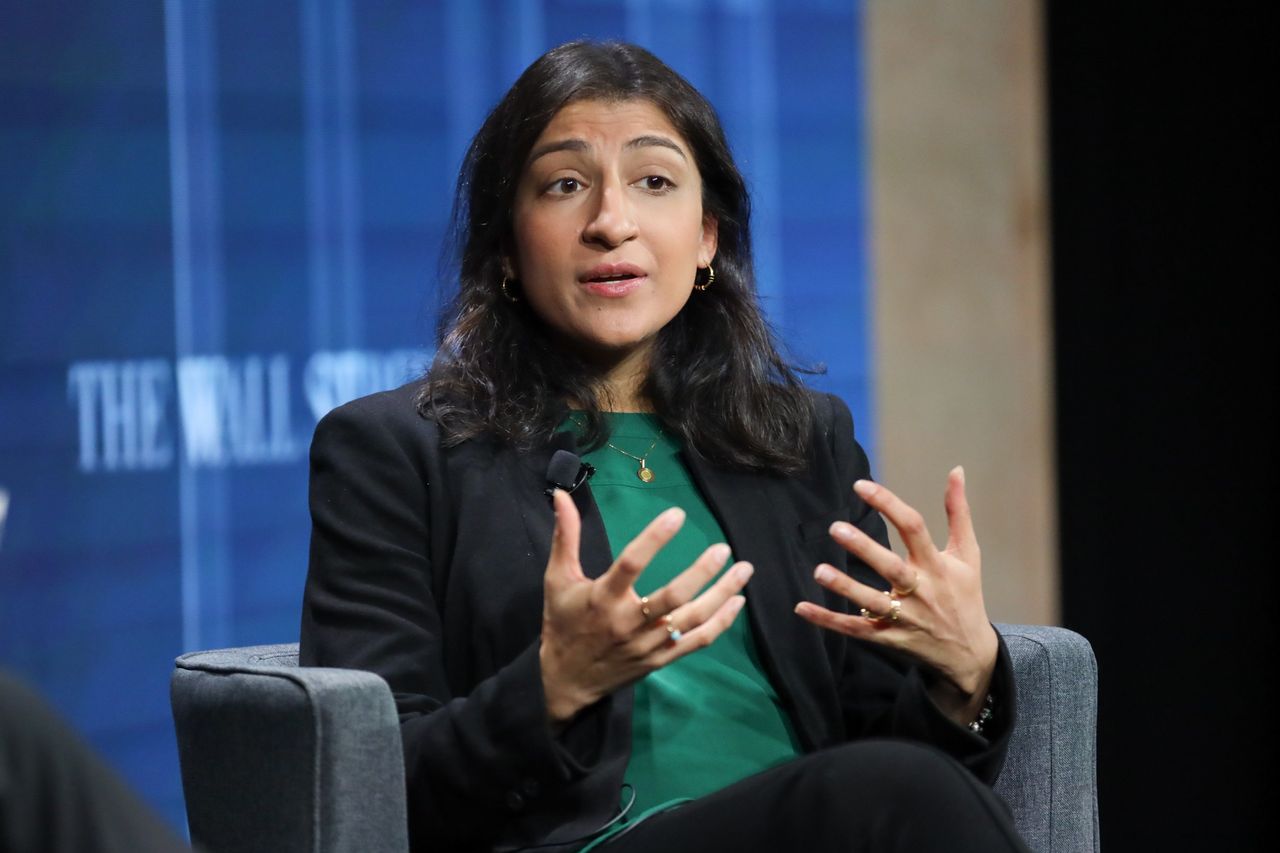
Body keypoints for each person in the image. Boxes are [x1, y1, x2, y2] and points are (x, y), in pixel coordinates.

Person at [300, 40, 1030, 853]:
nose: (612, 223)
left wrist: (964, 673)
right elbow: (363, 780)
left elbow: (901, 768)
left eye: (654, 182)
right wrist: (553, 686)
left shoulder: (800, 442)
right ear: (506, 244)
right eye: (565, 185)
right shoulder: (396, 452)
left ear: (707, 236)